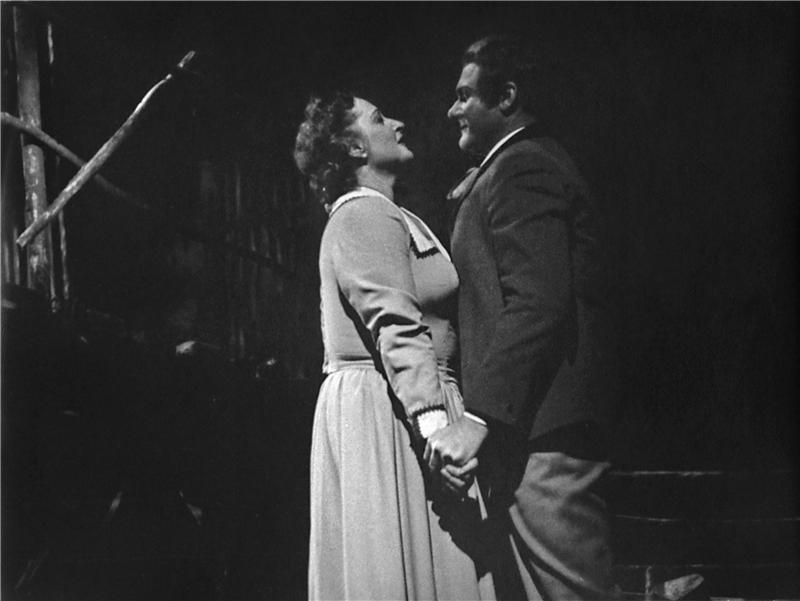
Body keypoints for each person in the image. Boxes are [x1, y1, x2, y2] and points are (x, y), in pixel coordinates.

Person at [424, 35, 619, 599]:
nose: (452, 110)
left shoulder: (525, 166)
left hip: (544, 433)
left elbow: (538, 303)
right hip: (526, 432)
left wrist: (477, 419)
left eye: (465, 96)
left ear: (506, 97)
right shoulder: (504, 169)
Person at [294, 92, 496, 600]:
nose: (399, 122)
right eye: (380, 118)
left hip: (408, 400)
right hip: (394, 409)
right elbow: (397, 328)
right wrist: (436, 433)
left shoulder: (389, 213)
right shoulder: (363, 212)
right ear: (353, 147)